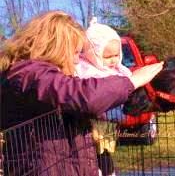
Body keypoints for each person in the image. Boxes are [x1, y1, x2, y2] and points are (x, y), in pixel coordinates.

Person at [0, 10, 163, 176]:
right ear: (56, 48)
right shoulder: (30, 74)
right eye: (76, 52)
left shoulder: (41, 74)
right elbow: (83, 95)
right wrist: (131, 81)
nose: (78, 60)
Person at [75, 18, 131, 176]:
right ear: (93, 54)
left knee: (105, 150)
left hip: (108, 123)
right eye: (107, 57)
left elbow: (129, 78)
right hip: (93, 122)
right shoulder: (87, 70)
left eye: (116, 55)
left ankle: (107, 171)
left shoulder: (117, 68)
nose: (113, 60)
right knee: (94, 151)